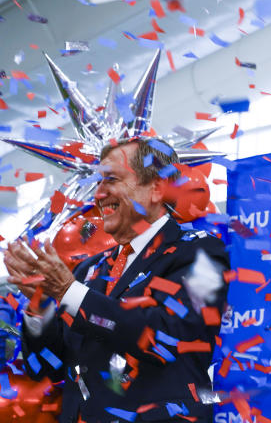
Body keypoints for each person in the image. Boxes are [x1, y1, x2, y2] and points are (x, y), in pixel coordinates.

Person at [3, 138, 230, 423]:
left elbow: (169, 338)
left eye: (111, 180)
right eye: (98, 183)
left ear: (156, 188)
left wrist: (68, 292)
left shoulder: (202, 252)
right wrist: (41, 304)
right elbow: (48, 368)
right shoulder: (89, 269)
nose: (98, 194)